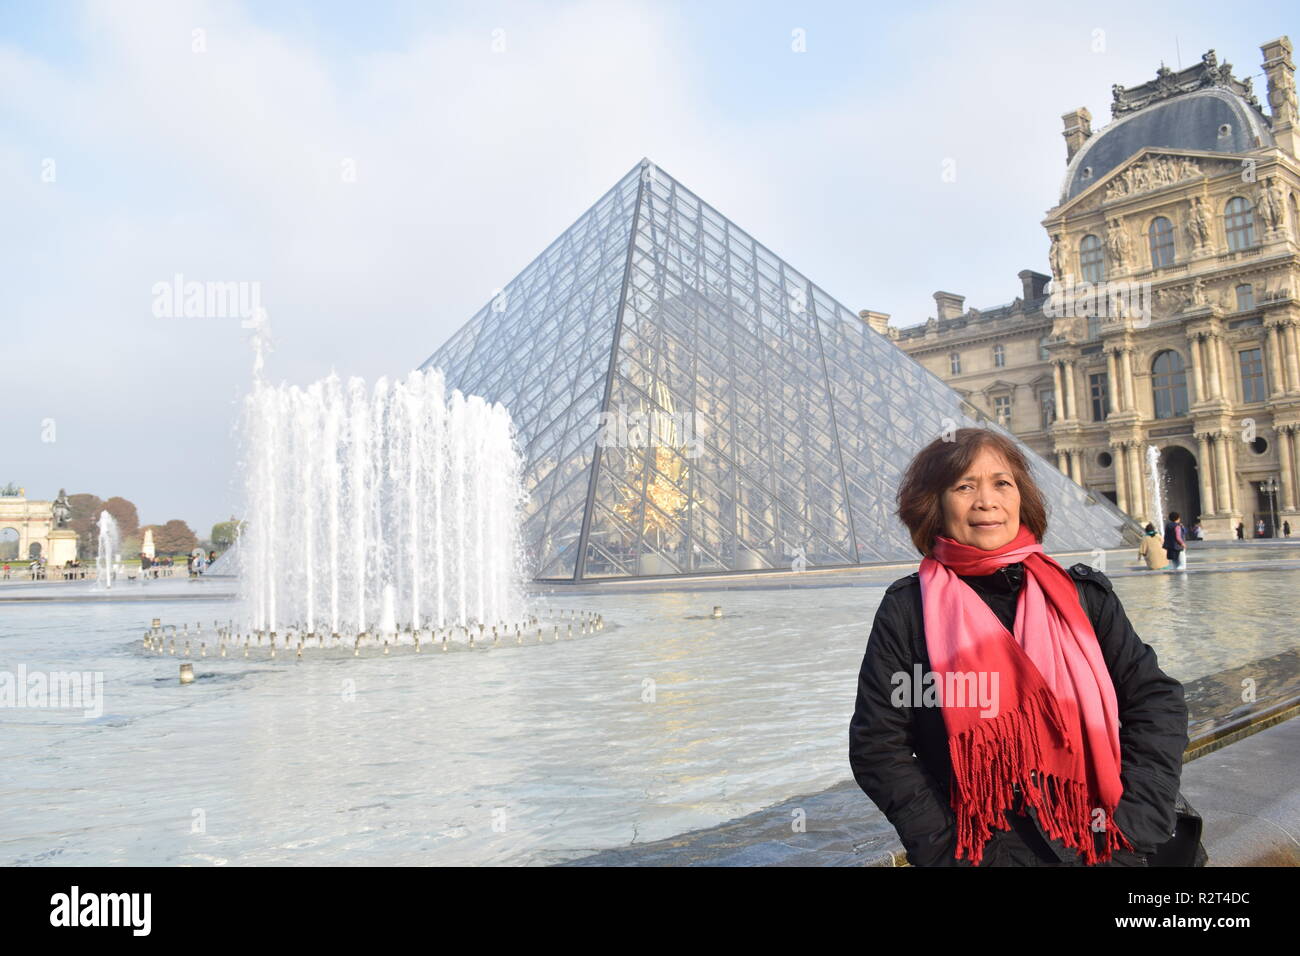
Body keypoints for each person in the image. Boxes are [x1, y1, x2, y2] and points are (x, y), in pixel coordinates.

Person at [848, 428, 1188, 867]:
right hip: (982, 852)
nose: (986, 501)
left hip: (1105, 844)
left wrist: (1135, 823)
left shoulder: (1083, 596)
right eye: (964, 486)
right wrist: (950, 852)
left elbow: (1156, 701)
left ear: (1021, 498)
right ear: (935, 505)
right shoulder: (907, 612)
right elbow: (879, 745)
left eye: (1001, 483)